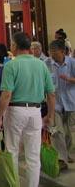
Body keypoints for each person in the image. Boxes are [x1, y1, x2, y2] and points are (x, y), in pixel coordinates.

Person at [0, 32, 55, 187]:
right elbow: (51, 93)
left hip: (16, 111)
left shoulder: (11, 65)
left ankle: (14, 184)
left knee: (12, 151)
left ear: (14, 46)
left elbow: (6, 94)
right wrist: (50, 115)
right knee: (33, 155)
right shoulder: (41, 64)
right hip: (36, 111)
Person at [45, 39, 75, 169]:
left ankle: (68, 153)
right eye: (51, 52)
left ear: (63, 51)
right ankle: (61, 159)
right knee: (57, 132)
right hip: (55, 104)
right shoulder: (47, 64)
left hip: (71, 101)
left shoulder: (72, 63)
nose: (52, 55)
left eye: (55, 53)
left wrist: (70, 79)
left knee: (69, 131)